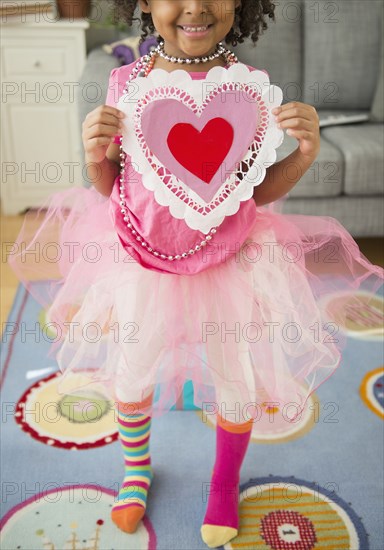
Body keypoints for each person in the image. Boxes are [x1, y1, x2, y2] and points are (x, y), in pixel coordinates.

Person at [9, 0, 383, 547]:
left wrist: (305, 153)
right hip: (142, 263)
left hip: (231, 262)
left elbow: (257, 189)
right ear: (144, 4)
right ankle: (137, 469)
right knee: (134, 372)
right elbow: (111, 182)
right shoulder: (126, 83)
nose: (195, 8)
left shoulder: (249, 87)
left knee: (236, 381)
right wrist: (93, 154)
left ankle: (223, 480)